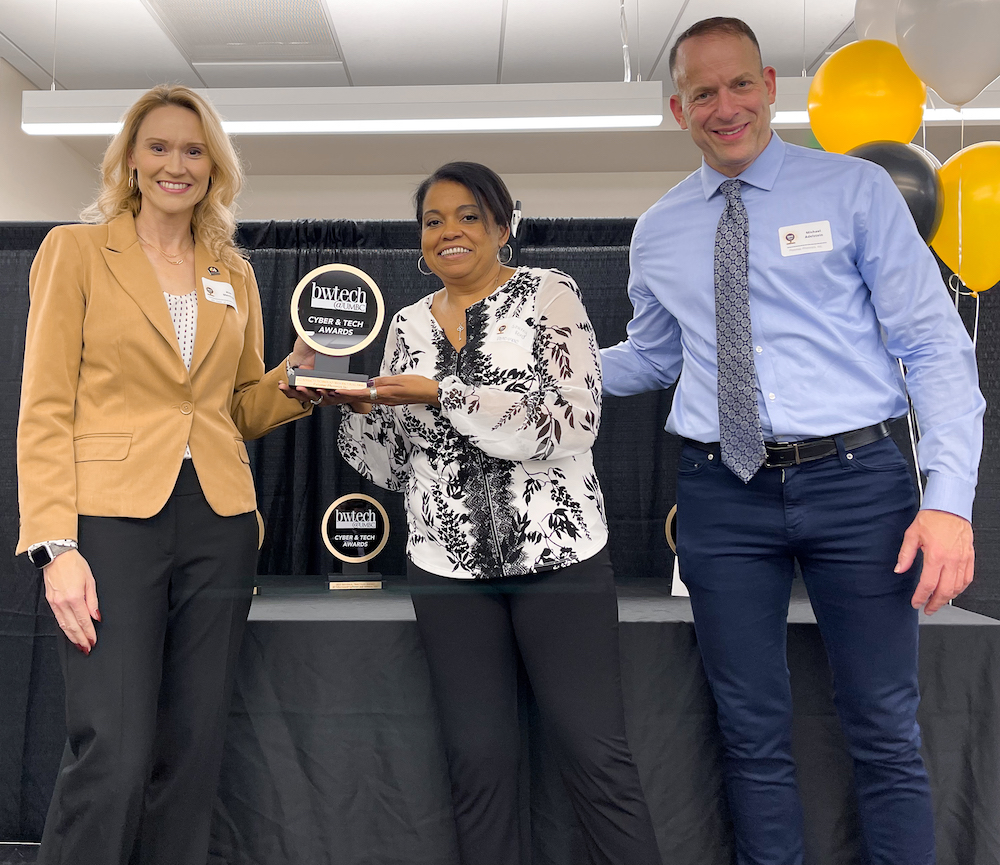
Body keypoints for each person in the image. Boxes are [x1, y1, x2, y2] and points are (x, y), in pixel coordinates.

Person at [600, 17, 984, 865]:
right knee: (750, 731)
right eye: (704, 93)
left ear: (771, 85)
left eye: (740, 84)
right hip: (720, 493)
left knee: (884, 726)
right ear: (678, 108)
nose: (725, 106)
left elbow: (934, 346)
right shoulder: (658, 231)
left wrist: (949, 502)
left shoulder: (854, 193)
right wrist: (540, 371)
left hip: (860, 485)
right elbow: (653, 355)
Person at [16, 84, 321, 865]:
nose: (175, 164)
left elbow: (235, 408)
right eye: (158, 147)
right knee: (111, 746)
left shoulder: (235, 272)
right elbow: (46, 406)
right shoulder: (75, 252)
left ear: (214, 166)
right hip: (110, 521)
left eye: (193, 150)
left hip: (218, 520)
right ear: (130, 159)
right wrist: (57, 545)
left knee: (192, 751)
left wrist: (294, 381)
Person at [329, 162, 662, 865]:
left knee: (593, 752)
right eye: (432, 220)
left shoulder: (550, 294)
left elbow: (573, 422)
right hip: (444, 571)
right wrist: (363, 412)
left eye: (469, 215)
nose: (449, 231)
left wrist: (441, 392)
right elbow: (391, 467)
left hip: (559, 562)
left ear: (503, 226)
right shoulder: (407, 323)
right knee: (477, 763)